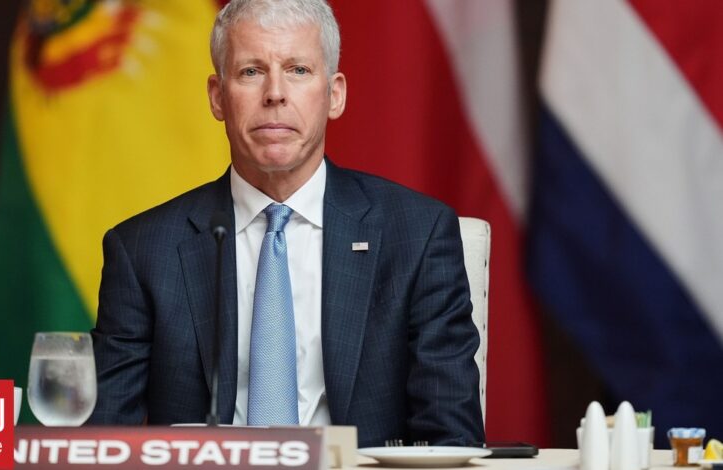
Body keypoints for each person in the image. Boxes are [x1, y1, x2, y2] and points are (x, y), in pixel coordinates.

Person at [88, 0, 484, 447]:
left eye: (298, 70)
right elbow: (99, 442)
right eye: (251, 71)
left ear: (335, 94)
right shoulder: (142, 250)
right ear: (217, 97)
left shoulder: (416, 235)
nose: (275, 93)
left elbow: (452, 438)